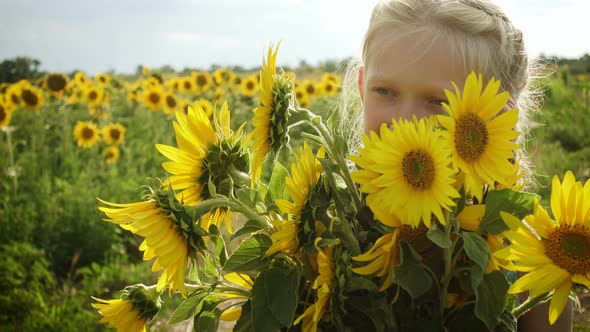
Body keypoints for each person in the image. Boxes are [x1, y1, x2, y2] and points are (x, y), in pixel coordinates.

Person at [337, 0, 573, 330]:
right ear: (362, 88)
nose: (404, 122)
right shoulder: (336, 228)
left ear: (495, 119)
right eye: (385, 91)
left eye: (438, 101)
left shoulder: (527, 256)